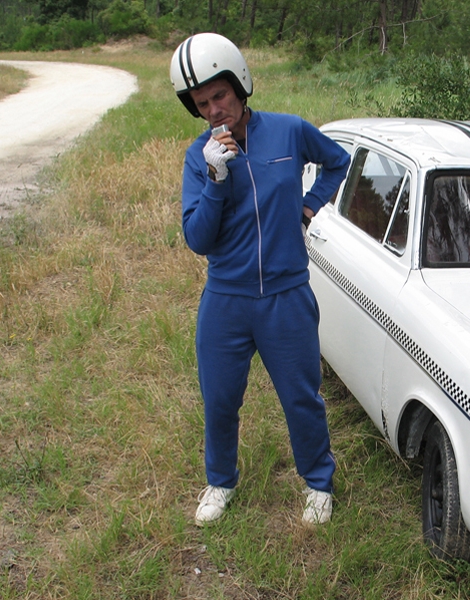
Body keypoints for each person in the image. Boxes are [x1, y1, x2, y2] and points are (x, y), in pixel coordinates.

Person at [169, 33, 350, 526]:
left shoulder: (289, 132)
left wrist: (308, 207)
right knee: (220, 399)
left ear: (240, 85)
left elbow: (337, 161)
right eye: (202, 104)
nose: (214, 110)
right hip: (226, 299)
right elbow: (198, 239)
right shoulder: (198, 157)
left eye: (220, 95)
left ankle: (318, 482)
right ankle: (220, 481)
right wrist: (216, 179)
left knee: (301, 397)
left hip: (286, 295)